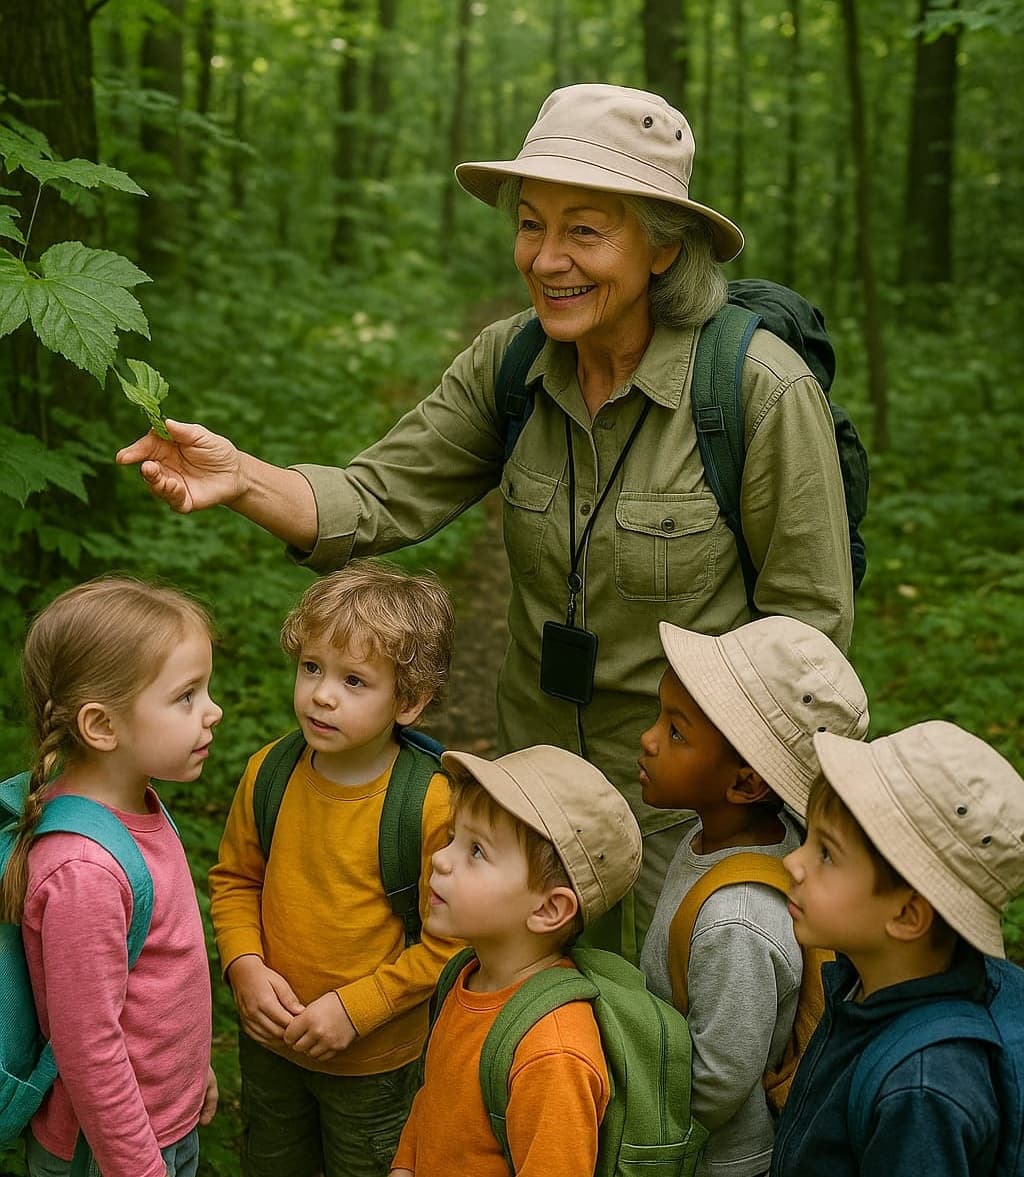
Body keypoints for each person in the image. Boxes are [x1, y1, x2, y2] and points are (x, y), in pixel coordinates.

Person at [118, 82, 854, 954]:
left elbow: (809, 630)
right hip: (530, 794)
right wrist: (241, 476)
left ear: (663, 247)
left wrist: (759, 820)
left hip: (687, 816)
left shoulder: (757, 391)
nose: (546, 259)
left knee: (671, 1023)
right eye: (531, 224)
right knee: (532, 1017)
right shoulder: (511, 364)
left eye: (585, 231)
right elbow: (376, 495)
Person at [208, 560, 461, 1177]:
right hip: (272, 1044)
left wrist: (359, 1009)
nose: (322, 694)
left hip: (374, 1063)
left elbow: (453, 942)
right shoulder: (269, 773)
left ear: (409, 702)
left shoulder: (428, 804)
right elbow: (237, 880)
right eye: (312, 668)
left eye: (354, 680)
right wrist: (244, 965)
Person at [0, 576, 221, 1177]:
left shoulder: (136, 803)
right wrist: (140, 1167)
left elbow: (156, 977)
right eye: (186, 696)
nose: (213, 711)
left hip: (157, 1125)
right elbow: (88, 1049)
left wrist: (192, 1071)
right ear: (102, 726)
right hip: (109, 1153)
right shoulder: (84, 870)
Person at [638, 615, 869, 1177]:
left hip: (711, 1159)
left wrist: (634, 1115)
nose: (648, 738)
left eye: (676, 732)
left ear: (745, 783)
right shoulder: (727, 838)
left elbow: (717, 1082)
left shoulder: (736, 921)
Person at [771, 721, 1024, 1176]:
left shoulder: (922, 1091)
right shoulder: (866, 978)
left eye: (826, 853)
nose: (793, 862)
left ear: (907, 915)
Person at [389, 743, 642, 1177]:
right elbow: (434, 1101)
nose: (441, 859)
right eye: (452, 837)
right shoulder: (467, 975)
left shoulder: (552, 1052)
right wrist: (405, 1165)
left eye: (476, 851)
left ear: (548, 909)